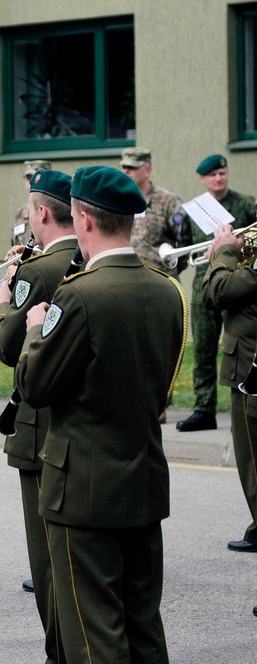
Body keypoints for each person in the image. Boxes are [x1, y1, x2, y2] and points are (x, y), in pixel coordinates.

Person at [16, 165, 186, 664]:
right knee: (143, 625)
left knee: (94, 635)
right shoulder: (166, 290)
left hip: (84, 489)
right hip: (142, 478)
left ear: (84, 219)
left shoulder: (79, 294)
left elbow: (35, 386)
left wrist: (33, 328)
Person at [0, 169, 76, 664]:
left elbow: (8, 347)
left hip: (42, 429)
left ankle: (59, 653)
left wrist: (3, 300)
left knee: (48, 564)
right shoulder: (88, 259)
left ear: (40, 212)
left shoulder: (38, 271)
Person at [177, 154, 257, 432]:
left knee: (237, 345)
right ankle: (204, 408)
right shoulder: (192, 211)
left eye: (222, 173)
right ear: (202, 178)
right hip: (206, 286)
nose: (218, 178)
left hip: (240, 287)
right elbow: (183, 249)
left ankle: (245, 399)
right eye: (212, 175)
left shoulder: (246, 203)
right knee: (203, 350)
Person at [201, 223, 257, 553]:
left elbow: (216, 292)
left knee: (252, 460)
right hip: (246, 364)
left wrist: (223, 250)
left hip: (250, 369)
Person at [119, 147, 185, 275]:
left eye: (132, 167)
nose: (126, 171)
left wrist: (169, 268)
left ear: (147, 170)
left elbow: (185, 241)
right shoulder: (119, 201)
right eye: (124, 167)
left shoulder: (168, 201)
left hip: (161, 278)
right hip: (127, 278)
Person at [11, 160, 52, 246]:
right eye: (28, 178)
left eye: (36, 178)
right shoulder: (21, 213)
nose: (31, 182)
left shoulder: (55, 210)